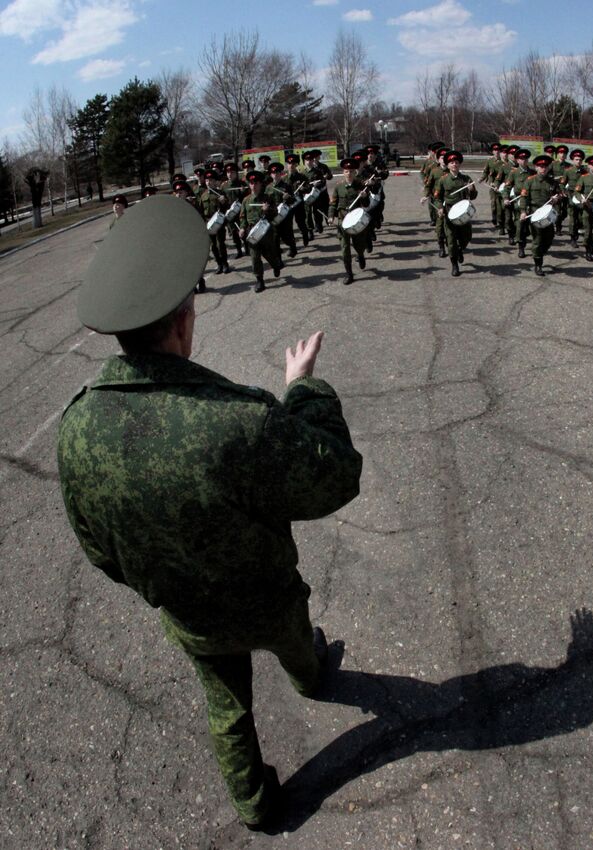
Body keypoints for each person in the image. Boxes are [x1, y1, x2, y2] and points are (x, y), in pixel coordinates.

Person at [57, 195, 362, 831]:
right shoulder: (235, 419)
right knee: (296, 646)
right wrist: (303, 388)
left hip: (189, 612)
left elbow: (99, 550)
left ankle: (254, 805)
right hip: (266, 597)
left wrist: (165, 575)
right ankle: (311, 679)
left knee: (226, 704)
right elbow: (335, 476)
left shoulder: (76, 428)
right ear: (182, 323)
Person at [328, 157, 371, 285]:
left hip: (356, 222)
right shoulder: (338, 187)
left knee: (359, 245)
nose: (349, 173)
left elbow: (366, 204)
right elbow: (333, 204)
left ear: (355, 172)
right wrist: (331, 216)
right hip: (342, 222)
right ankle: (349, 274)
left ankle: (361, 255)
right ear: (343, 172)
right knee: (345, 249)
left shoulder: (360, 185)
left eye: (351, 171)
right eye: (347, 171)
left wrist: (364, 197)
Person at [435, 150, 478, 277]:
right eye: (452, 162)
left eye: (456, 162)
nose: (454, 164)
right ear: (448, 165)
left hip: (463, 213)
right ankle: (454, 265)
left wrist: (472, 190)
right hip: (449, 214)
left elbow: (473, 196)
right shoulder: (443, 180)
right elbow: (437, 197)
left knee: (467, 237)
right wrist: (439, 208)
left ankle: (460, 250)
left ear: (459, 164)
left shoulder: (466, 179)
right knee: (451, 240)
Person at [239, 170, 282, 292]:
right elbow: (242, 216)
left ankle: (276, 265)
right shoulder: (246, 200)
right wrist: (242, 228)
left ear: (260, 184)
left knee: (269, 254)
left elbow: (275, 214)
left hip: (266, 232)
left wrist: (267, 210)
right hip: (252, 232)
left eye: (256, 183)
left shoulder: (267, 198)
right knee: (254, 257)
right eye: (251, 183)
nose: (253, 185)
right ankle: (259, 280)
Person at [519, 154, 561, 277]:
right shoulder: (530, 181)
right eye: (540, 166)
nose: (543, 168)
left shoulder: (552, 182)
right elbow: (523, 197)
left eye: (545, 166)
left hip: (547, 213)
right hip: (534, 213)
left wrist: (556, 198)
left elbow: (559, 196)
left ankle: (538, 253)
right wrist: (523, 211)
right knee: (537, 239)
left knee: (549, 238)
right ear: (536, 167)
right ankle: (538, 264)